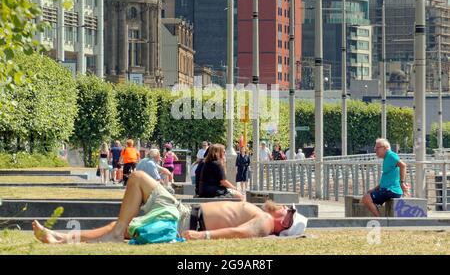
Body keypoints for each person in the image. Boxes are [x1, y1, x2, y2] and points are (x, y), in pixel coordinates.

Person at [32, 171, 308, 244]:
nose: (285, 207)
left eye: (289, 212)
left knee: (139, 178)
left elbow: (241, 233)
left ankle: (69, 238)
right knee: (119, 228)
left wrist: (204, 236)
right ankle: (62, 239)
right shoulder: (262, 214)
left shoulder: (264, 222)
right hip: (184, 214)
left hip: (184, 219)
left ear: (284, 224)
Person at [361, 138, 409, 217]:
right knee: (365, 198)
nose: (375, 150)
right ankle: (380, 218)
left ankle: (380, 220)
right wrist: (374, 189)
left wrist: (402, 183)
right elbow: (386, 180)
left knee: (366, 199)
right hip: (387, 190)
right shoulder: (386, 158)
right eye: (375, 148)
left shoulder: (391, 155)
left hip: (391, 190)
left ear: (385, 148)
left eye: (377, 148)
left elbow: (403, 165)